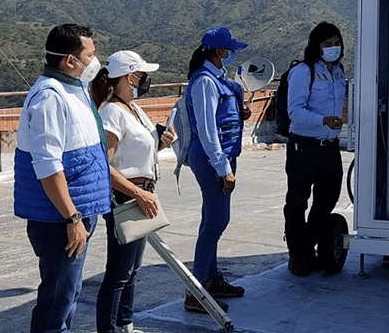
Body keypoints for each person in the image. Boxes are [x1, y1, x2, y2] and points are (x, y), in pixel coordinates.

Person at [14, 24, 111, 333]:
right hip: (61, 220)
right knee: (57, 299)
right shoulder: (49, 98)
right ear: (71, 60)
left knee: (68, 295)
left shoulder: (75, 88)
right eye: (90, 55)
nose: (95, 61)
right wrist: (73, 217)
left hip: (79, 211)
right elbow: (47, 165)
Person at [91, 51, 175, 333]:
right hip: (128, 196)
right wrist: (138, 194)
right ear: (130, 76)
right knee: (118, 273)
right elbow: (105, 164)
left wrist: (161, 143)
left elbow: (137, 152)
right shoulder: (113, 112)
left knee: (132, 270)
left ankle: (124, 323)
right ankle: (109, 329)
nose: (145, 80)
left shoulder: (133, 108)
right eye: (141, 75)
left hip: (143, 194)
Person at [182, 27, 249, 313]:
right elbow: (208, 130)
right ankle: (196, 291)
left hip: (220, 157)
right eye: (230, 49)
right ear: (219, 52)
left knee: (210, 219)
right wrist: (223, 168)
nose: (233, 53)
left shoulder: (218, 80)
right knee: (217, 221)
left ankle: (211, 278)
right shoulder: (205, 82)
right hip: (212, 159)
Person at [284, 22, 346, 276]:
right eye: (327, 44)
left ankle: (307, 247)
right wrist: (322, 120)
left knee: (327, 200)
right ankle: (297, 255)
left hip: (329, 147)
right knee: (297, 203)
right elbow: (294, 111)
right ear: (316, 46)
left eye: (336, 43)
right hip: (304, 148)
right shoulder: (303, 71)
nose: (333, 48)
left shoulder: (339, 72)